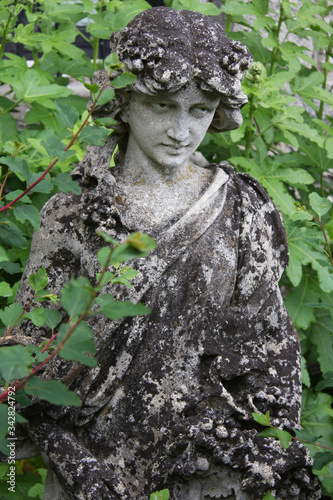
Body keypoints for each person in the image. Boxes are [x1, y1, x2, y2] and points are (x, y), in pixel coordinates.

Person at [9, 7, 320, 500]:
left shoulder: (239, 209)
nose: (181, 129)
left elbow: (267, 357)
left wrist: (253, 449)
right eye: (163, 106)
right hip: (84, 471)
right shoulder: (71, 215)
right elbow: (22, 367)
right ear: (126, 101)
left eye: (199, 110)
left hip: (204, 469)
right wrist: (72, 460)